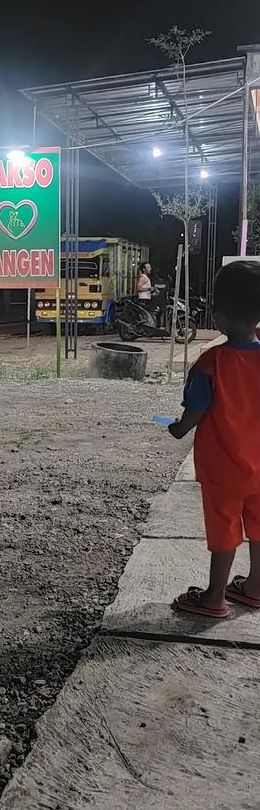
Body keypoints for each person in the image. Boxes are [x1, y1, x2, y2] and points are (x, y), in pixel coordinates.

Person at [169, 260, 260, 618]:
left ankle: (213, 599)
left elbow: (195, 411)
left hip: (224, 469)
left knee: (224, 529)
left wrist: (178, 428)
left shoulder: (211, 363)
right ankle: (255, 587)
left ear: (219, 314)